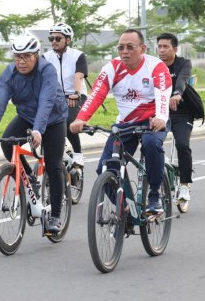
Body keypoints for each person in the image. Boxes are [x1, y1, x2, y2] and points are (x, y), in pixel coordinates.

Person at [70, 29, 172, 213]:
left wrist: (161, 117)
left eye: (130, 47)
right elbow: (96, 95)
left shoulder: (156, 67)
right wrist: (80, 118)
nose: (124, 51)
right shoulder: (112, 68)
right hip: (125, 124)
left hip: (152, 122)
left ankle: (155, 194)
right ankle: (126, 208)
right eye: (120, 47)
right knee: (104, 169)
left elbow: (163, 94)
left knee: (151, 144)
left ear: (143, 48)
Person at [0, 36, 68, 233]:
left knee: (53, 164)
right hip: (26, 116)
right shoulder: (9, 74)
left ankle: (55, 215)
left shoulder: (47, 71)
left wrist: (38, 130)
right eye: (17, 56)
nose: (21, 61)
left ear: (36, 56)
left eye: (27, 56)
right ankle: (30, 177)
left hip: (53, 119)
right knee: (7, 143)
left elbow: (46, 102)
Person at [43, 22, 88, 167]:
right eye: (51, 39)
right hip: (55, 97)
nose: (53, 42)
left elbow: (78, 77)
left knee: (67, 120)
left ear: (68, 40)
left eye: (58, 38)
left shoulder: (78, 56)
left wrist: (75, 93)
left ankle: (78, 153)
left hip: (75, 95)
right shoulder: (46, 57)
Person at [156, 32, 194, 203]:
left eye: (166, 47)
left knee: (182, 144)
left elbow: (183, 79)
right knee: (150, 144)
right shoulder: (154, 65)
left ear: (175, 49)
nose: (162, 50)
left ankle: (185, 185)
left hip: (181, 112)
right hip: (160, 112)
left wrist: (177, 93)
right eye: (159, 46)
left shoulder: (183, 63)